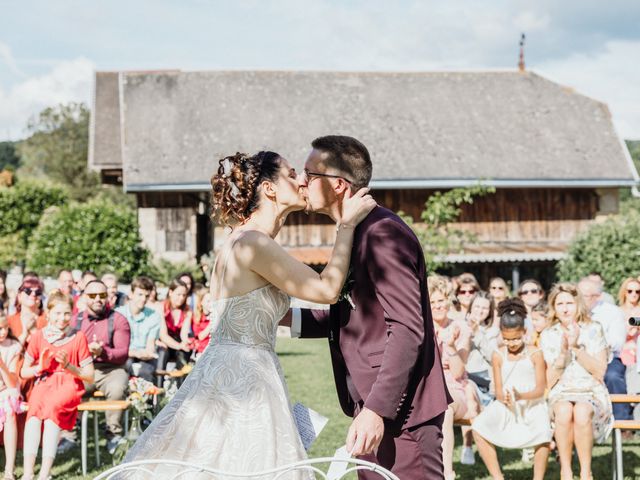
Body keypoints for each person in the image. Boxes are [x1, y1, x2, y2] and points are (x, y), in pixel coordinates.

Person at [119, 149, 375, 479]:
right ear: (269, 189)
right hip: (244, 379)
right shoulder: (252, 243)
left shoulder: (241, 239)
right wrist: (347, 224)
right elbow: (326, 290)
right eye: (292, 173)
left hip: (235, 367)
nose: (302, 181)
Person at [290, 136, 451, 479]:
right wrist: (284, 318)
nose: (301, 182)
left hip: (401, 411)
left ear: (337, 184)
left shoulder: (382, 235)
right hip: (373, 405)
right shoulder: (355, 232)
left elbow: (407, 329)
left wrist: (377, 410)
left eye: (309, 173)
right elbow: (353, 315)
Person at [472, 299, 552, 480]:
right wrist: (504, 398)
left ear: (524, 332)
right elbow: (498, 390)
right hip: (506, 405)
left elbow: (541, 389)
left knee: (543, 431)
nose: (512, 343)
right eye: (507, 339)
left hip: (532, 404)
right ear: (501, 334)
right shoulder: (498, 355)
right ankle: (498, 477)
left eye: (516, 338)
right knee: (478, 426)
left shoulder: (535, 353)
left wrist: (522, 395)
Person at [540, 283, 612, 480]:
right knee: (563, 410)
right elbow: (549, 380)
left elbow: (600, 371)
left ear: (577, 304)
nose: (565, 308)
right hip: (561, 391)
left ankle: (586, 472)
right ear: (554, 307)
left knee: (581, 410)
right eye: (560, 303)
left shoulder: (593, 329)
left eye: (569, 303)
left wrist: (576, 347)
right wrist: (564, 351)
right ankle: (566, 471)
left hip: (590, 391)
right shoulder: (548, 334)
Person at [20, 290, 94, 480]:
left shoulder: (78, 337)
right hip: (44, 381)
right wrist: (40, 367)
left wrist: (68, 366)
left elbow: (90, 376)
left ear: (73, 313)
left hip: (68, 382)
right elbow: (23, 372)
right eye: (58, 313)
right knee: (34, 412)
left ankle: (44, 473)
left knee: (52, 410)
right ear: (49, 313)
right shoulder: (38, 336)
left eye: (67, 313)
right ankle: (28, 472)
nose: (62, 318)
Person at [71, 280, 130, 452]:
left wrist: (103, 352)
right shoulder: (76, 321)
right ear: (84, 297)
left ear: (108, 297)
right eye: (92, 295)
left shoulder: (119, 320)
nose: (98, 299)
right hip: (84, 368)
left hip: (111, 369)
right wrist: (85, 352)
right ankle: (69, 433)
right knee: (69, 386)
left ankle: (113, 434)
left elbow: (122, 354)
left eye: (102, 295)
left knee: (118, 387)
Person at [429, 275, 479, 477]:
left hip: (456, 389)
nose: (437, 306)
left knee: (445, 407)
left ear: (448, 300)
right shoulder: (421, 327)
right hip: (429, 386)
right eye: (432, 302)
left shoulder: (461, 327)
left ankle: (447, 473)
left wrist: (449, 347)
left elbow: (458, 372)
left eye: (440, 300)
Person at [578, 278, 628, 420]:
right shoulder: (572, 311)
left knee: (613, 377)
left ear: (597, 296)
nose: (580, 299)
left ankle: (622, 422)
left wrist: (595, 347)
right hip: (579, 359)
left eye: (585, 296)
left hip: (608, 358)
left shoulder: (612, 312)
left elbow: (618, 342)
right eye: (578, 294)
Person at [119, 276, 161, 384]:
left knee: (146, 371)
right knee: (125, 367)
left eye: (146, 295)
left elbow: (150, 344)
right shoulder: (119, 314)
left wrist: (148, 352)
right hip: (125, 354)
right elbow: (118, 347)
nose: (143, 299)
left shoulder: (154, 316)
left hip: (145, 355)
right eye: (140, 294)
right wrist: (135, 353)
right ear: (131, 294)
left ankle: (147, 400)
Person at [0, 312, 24, 480]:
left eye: (5, 328)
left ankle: (9, 468)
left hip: (7, 391)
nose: (2, 332)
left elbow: (11, 382)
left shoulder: (13, 347)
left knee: (9, 412)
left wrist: (1, 365)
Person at [466, 292, 499, 403]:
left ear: (490, 311)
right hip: (462, 378)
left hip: (482, 381)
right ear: (471, 307)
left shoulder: (493, 332)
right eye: (477, 306)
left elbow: (492, 356)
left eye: (484, 308)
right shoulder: (459, 325)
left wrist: (477, 333)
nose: (480, 311)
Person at [156, 279, 193, 372]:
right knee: (162, 351)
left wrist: (185, 342)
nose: (181, 298)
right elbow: (163, 335)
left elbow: (184, 334)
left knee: (185, 352)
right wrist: (179, 346)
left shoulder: (187, 310)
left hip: (178, 340)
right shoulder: (161, 307)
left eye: (184, 295)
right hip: (163, 341)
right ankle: (158, 384)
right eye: (178, 294)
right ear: (170, 292)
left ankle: (182, 382)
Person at [620, 277, 640, 420]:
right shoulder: (617, 312)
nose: (634, 294)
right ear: (624, 292)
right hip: (622, 352)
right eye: (630, 290)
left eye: (637, 291)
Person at [7, 279, 47, 348]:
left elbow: (49, 349)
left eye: (38, 292)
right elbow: (7, 352)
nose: (33, 294)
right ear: (19, 296)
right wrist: (24, 334)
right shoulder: (9, 321)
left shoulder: (48, 320)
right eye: (28, 291)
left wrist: (34, 331)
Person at [191, 285, 212, 358]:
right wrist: (212, 322)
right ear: (201, 302)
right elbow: (200, 336)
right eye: (208, 301)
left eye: (213, 300)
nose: (211, 304)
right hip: (203, 350)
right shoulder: (197, 317)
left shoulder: (216, 315)